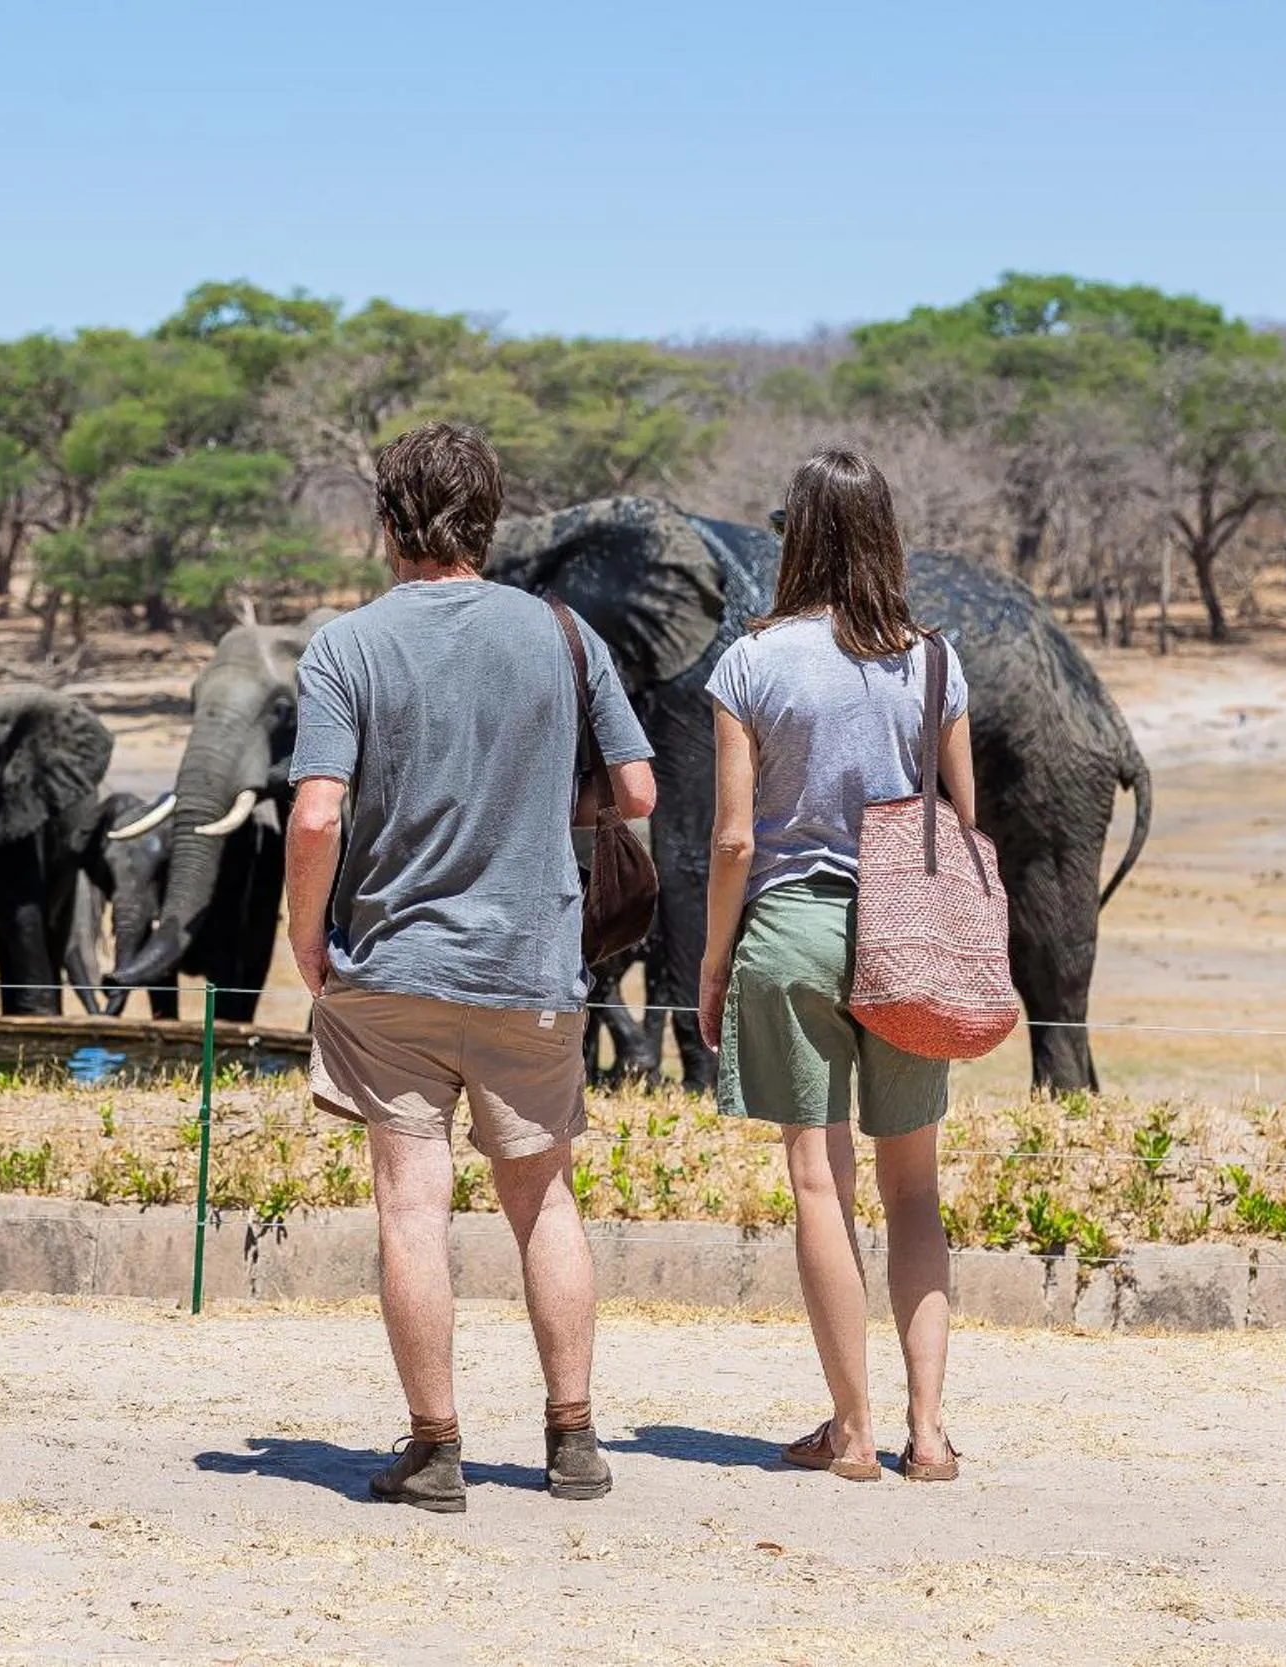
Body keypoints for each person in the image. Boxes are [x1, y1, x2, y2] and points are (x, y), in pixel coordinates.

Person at [285, 421, 656, 1513]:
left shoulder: (344, 645)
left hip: (391, 965)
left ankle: (436, 1448)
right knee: (543, 1201)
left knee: (411, 1207)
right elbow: (637, 793)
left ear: (386, 523)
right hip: (531, 965)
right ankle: (573, 1439)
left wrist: (305, 935)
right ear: (487, 521)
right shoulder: (562, 633)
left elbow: (316, 813)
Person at [698, 446, 968, 1484]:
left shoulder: (751, 662)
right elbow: (964, 823)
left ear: (793, 535)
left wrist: (717, 961)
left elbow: (731, 840)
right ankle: (929, 1432)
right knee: (915, 1191)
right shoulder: (934, 658)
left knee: (820, 1178)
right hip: (910, 935)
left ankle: (849, 1431)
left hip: (793, 926)